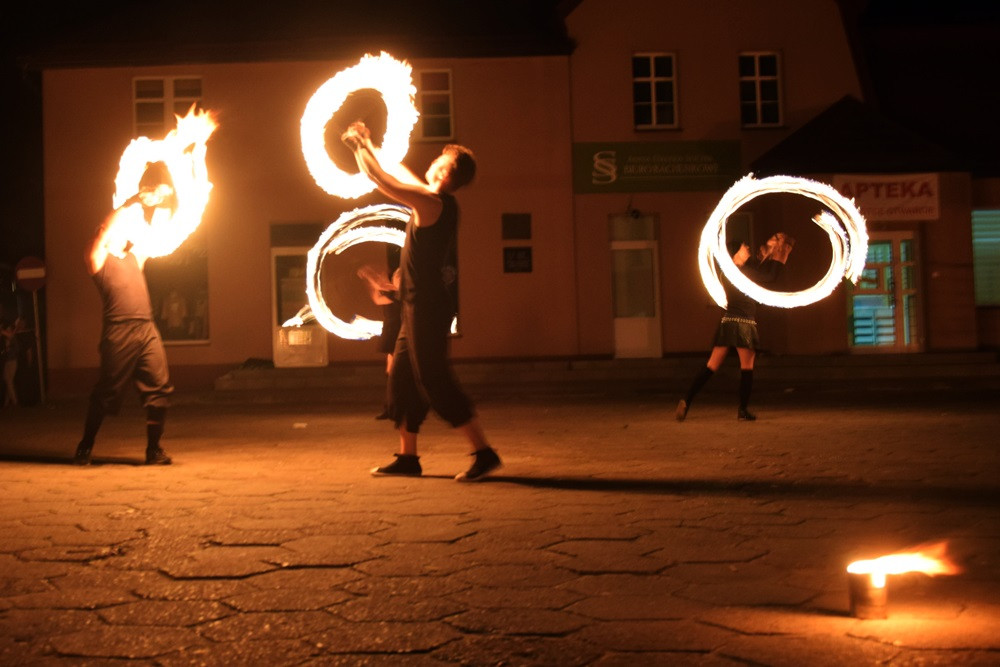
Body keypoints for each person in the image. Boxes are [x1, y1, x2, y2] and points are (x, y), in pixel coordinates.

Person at [342, 120, 501, 482]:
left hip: (427, 306)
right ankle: (408, 458)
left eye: (440, 163)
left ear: (446, 175)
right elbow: (396, 171)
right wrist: (372, 146)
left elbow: (382, 181)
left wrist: (358, 145)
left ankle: (484, 452)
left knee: (432, 377)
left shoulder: (432, 202)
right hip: (413, 303)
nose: (433, 163)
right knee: (401, 378)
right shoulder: (432, 198)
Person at [73, 161, 176, 466]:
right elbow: (105, 232)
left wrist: (159, 198)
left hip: (147, 329)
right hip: (119, 332)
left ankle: (153, 450)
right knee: (106, 392)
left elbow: (155, 233)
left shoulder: (135, 257)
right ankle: (85, 446)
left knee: (160, 388)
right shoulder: (97, 259)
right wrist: (130, 202)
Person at [676, 233, 795, 422]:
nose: (747, 248)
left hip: (728, 322)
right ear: (734, 255)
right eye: (743, 247)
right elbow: (770, 276)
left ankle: (686, 400)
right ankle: (743, 410)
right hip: (744, 324)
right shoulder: (742, 273)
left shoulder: (731, 273)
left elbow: (760, 271)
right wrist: (782, 255)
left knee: (711, 366)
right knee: (747, 367)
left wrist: (771, 249)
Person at [1, 318, 18, 406]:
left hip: (12, 361)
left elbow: (16, 350)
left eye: (9, 329)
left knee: (8, 381)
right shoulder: (5, 339)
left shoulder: (13, 339)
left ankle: (14, 401)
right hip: (6, 361)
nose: (8, 331)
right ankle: (7, 401)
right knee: (9, 381)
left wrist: (8, 349)